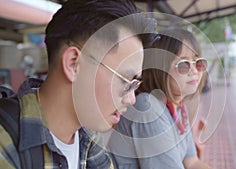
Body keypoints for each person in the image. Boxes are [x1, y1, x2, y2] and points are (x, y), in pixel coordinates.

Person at [0, 0, 157, 168]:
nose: (132, 99)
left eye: (135, 85)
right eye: (126, 81)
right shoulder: (6, 143)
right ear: (74, 64)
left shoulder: (88, 136)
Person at [108, 28, 212, 169]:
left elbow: (192, 162)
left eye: (198, 63)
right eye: (183, 64)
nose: (194, 70)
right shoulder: (147, 107)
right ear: (161, 68)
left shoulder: (180, 108)